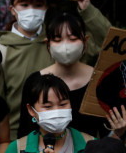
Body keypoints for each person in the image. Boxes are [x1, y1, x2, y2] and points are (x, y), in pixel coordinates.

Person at [0, 0, 111, 139]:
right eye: (24, 4)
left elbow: (110, 44)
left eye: (38, 4)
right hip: (18, 138)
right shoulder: (1, 51)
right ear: (12, 9)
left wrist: (88, 10)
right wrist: (1, 147)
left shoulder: (62, 42)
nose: (65, 45)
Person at [17, 10, 123, 138]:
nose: (66, 46)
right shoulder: (34, 82)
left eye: (73, 39)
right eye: (57, 39)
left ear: (85, 41)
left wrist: (118, 131)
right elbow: (25, 132)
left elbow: (109, 135)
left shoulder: (102, 81)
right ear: (48, 44)